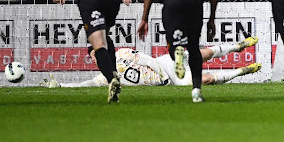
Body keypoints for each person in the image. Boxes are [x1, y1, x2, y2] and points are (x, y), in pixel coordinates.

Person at [40, 39, 260, 88]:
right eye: (96, 55)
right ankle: (242, 71)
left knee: (200, 54)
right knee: (207, 79)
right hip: (169, 81)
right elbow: (87, 84)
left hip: (163, 66)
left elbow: (145, 59)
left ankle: (238, 46)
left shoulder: (122, 53)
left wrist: (160, 72)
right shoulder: (106, 77)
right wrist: (61, 86)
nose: (100, 57)